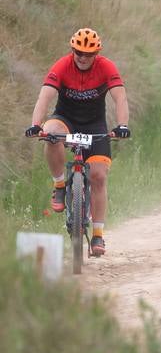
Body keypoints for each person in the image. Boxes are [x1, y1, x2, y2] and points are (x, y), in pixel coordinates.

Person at [25, 27, 130, 257]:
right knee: (50, 132)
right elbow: (45, 95)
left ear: (96, 53)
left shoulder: (106, 67)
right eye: (78, 52)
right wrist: (36, 124)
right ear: (72, 50)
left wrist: (122, 125)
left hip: (95, 126)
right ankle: (60, 185)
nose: (82, 58)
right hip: (66, 120)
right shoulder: (62, 66)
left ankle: (98, 235)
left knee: (98, 177)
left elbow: (120, 96)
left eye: (88, 54)